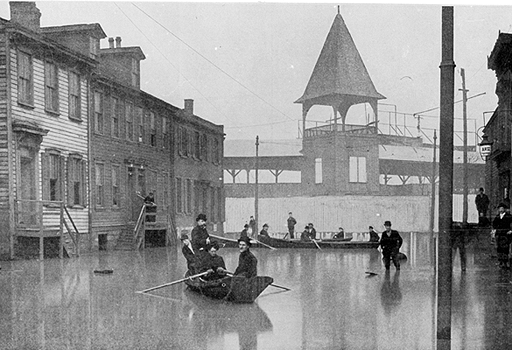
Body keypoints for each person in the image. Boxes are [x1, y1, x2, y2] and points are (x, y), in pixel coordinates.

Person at [492, 203, 512, 269]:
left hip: (506, 234)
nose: (501, 210)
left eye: (502, 208)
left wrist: (511, 230)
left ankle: (505, 262)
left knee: (505, 248)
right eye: (499, 208)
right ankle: (500, 262)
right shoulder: (497, 217)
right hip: (499, 234)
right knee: (499, 248)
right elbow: (494, 224)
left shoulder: (509, 216)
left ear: (504, 209)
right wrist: (494, 230)